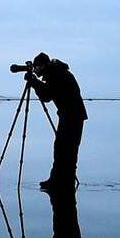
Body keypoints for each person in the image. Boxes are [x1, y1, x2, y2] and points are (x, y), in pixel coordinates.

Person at [24, 52, 86, 192]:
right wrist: (36, 82)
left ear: (44, 65)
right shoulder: (58, 72)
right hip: (71, 116)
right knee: (63, 150)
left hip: (72, 117)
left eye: (37, 67)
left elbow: (47, 95)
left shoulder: (56, 74)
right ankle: (59, 181)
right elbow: (49, 93)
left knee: (65, 150)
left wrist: (33, 82)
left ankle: (62, 183)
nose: (36, 70)